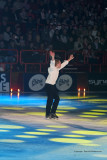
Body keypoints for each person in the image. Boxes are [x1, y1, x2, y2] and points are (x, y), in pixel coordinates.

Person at [45, 50, 74, 119]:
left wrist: (69, 59)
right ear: (57, 64)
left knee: (57, 98)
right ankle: (48, 114)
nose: (61, 64)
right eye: (60, 63)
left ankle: (52, 112)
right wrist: (52, 57)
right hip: (49, 85)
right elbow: (52, 63)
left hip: (52, 86)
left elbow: (64, 64)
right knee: (50, 99)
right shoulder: (53, 68)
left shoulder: (57, 69)